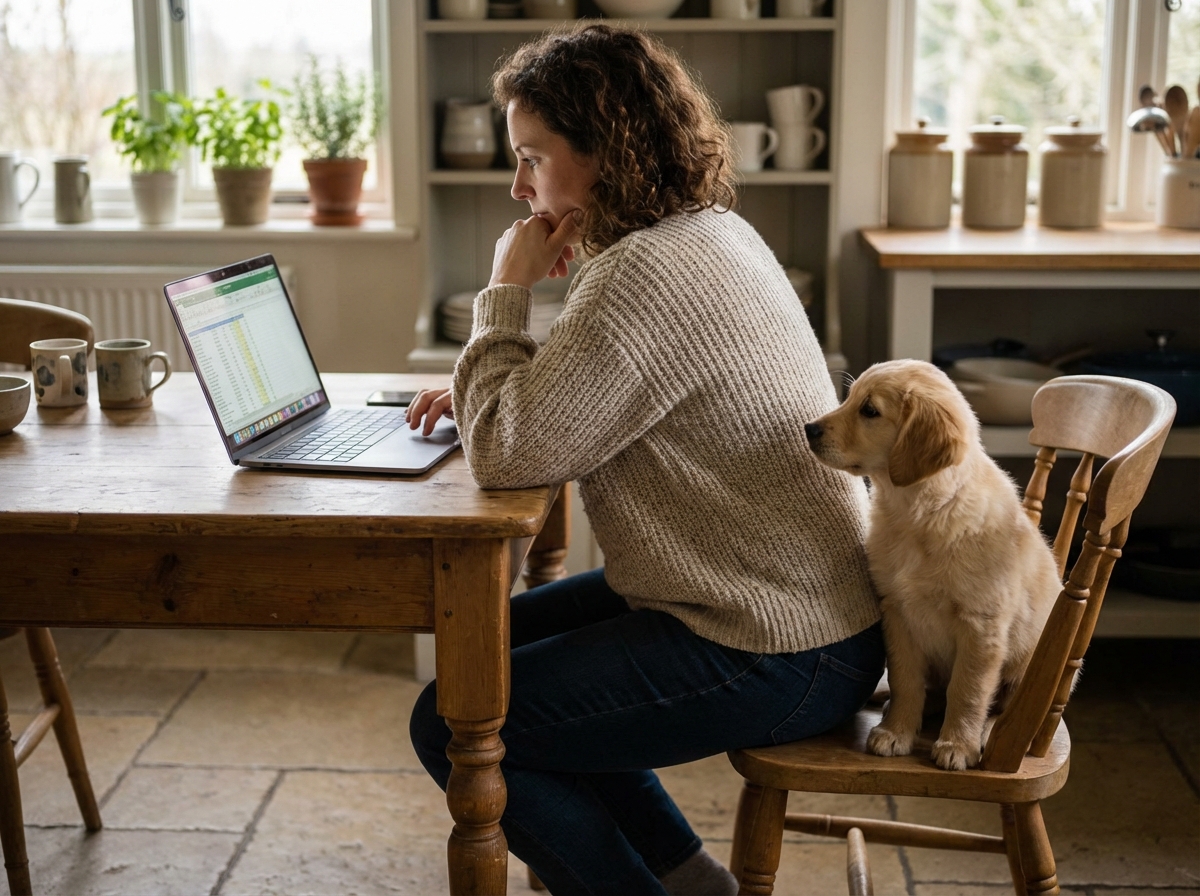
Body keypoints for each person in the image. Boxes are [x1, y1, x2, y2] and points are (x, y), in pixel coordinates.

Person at [407, 23, 882, 896]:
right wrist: (489, 379)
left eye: (532, 157)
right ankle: (692, 880)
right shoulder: (705, 232)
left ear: (603, 152)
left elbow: (511, 453)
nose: (518, 187)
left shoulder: (641, 275)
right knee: (485, 670)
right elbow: (572, 402)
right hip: (799, 613)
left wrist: (502, 292)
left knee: (457, 722)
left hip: (776, 644)